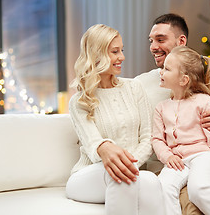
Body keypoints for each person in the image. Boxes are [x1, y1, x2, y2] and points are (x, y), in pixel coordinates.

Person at [135, 13, 210, 215]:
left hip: (205, 157)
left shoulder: (209, 83)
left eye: (160, 39)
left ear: (181, 41)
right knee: (189, 202)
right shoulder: (139, 85)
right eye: (151, 41)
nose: (153, 47)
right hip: (170, 163)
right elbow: (152, 138)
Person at [66, 24, 165, 215]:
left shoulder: (134, 88)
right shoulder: (79, 101)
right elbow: (95, 147)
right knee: (119, 176)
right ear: (97, 54)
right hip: (88, 176)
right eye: (115, 51)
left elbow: (148, 137)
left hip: (131, 171)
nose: (122, 57)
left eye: (122, 50)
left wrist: (131, 164)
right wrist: (109, 151)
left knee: (151, 181)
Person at [152, 46, 210, 215]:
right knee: (162, 188)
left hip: (203, 156)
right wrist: (168, 156)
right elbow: (157, 140)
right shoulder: (161, 108)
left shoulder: (204, 101)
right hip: (177, 161)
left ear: (183, 80)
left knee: (199, 189)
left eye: (167, 69)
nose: (161, 72)